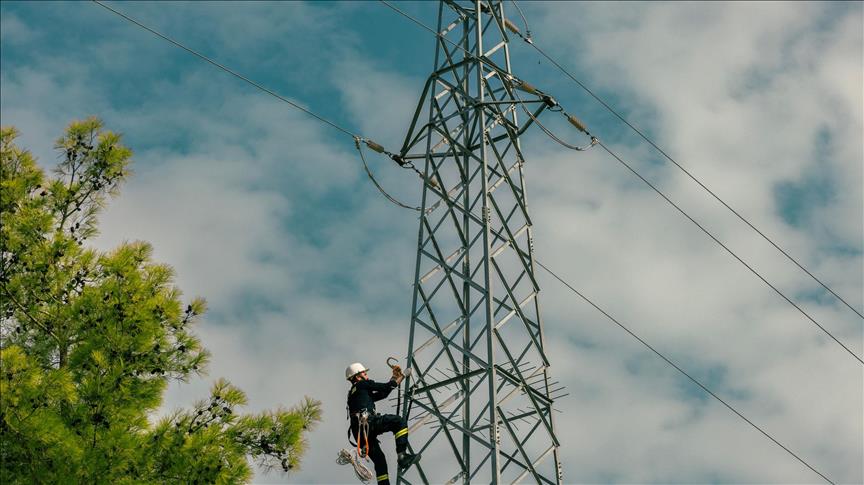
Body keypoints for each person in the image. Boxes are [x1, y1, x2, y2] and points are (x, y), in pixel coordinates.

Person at [345, 362, 419, 484]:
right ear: (358, 377)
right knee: (399, 422)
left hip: (359, 433)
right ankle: (402, 456)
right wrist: (402, 376)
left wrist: (394, 377)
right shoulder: (363, 384)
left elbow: (384, 393)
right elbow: (387, 387)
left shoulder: (355, 392)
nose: (366, 374)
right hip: (367, 423)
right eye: (364, 373)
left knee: (380, 460)